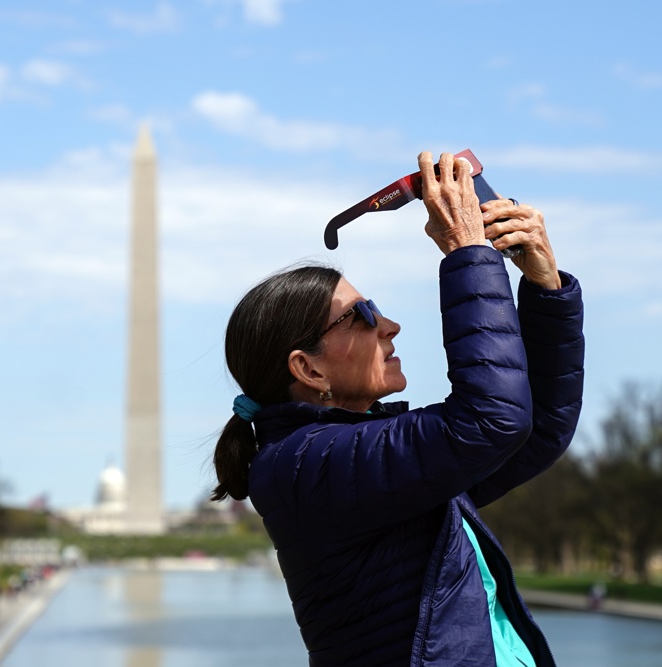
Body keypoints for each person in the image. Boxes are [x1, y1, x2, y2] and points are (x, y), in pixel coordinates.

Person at [212, 151, 584, 666]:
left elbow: (535, 429)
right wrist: (466, 250)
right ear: (309, 369)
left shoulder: (355, 461)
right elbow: (491, 419)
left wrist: (546, 288)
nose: (389, 326)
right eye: (363, 315)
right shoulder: (306, 466)